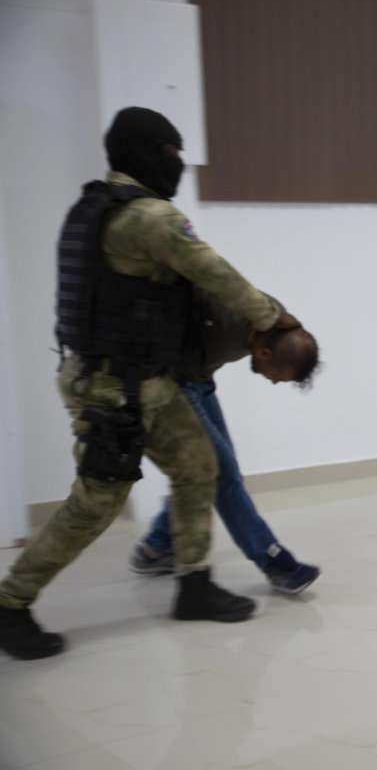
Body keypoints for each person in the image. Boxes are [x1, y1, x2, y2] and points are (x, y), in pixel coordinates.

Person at [0, 107, 297, 661]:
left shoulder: (89, 208)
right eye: (172, 153)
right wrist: (273, 315)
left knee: (198, 467)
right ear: (144, 152)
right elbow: (217, 275)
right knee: (97, 503)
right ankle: (10, 601)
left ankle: (194, 584)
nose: (180, 164)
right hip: (112, 388)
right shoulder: (152, 218)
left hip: (136, 380)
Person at [128, 291, 322, 594]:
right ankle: (275, 563)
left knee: (216, 473)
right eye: (274, 376)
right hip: (172, 383)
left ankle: (156, 548)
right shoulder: (225, 326)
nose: (271, 381)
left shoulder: (277, 322)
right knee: (222, 473)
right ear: (265, 353)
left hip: (199, 379)